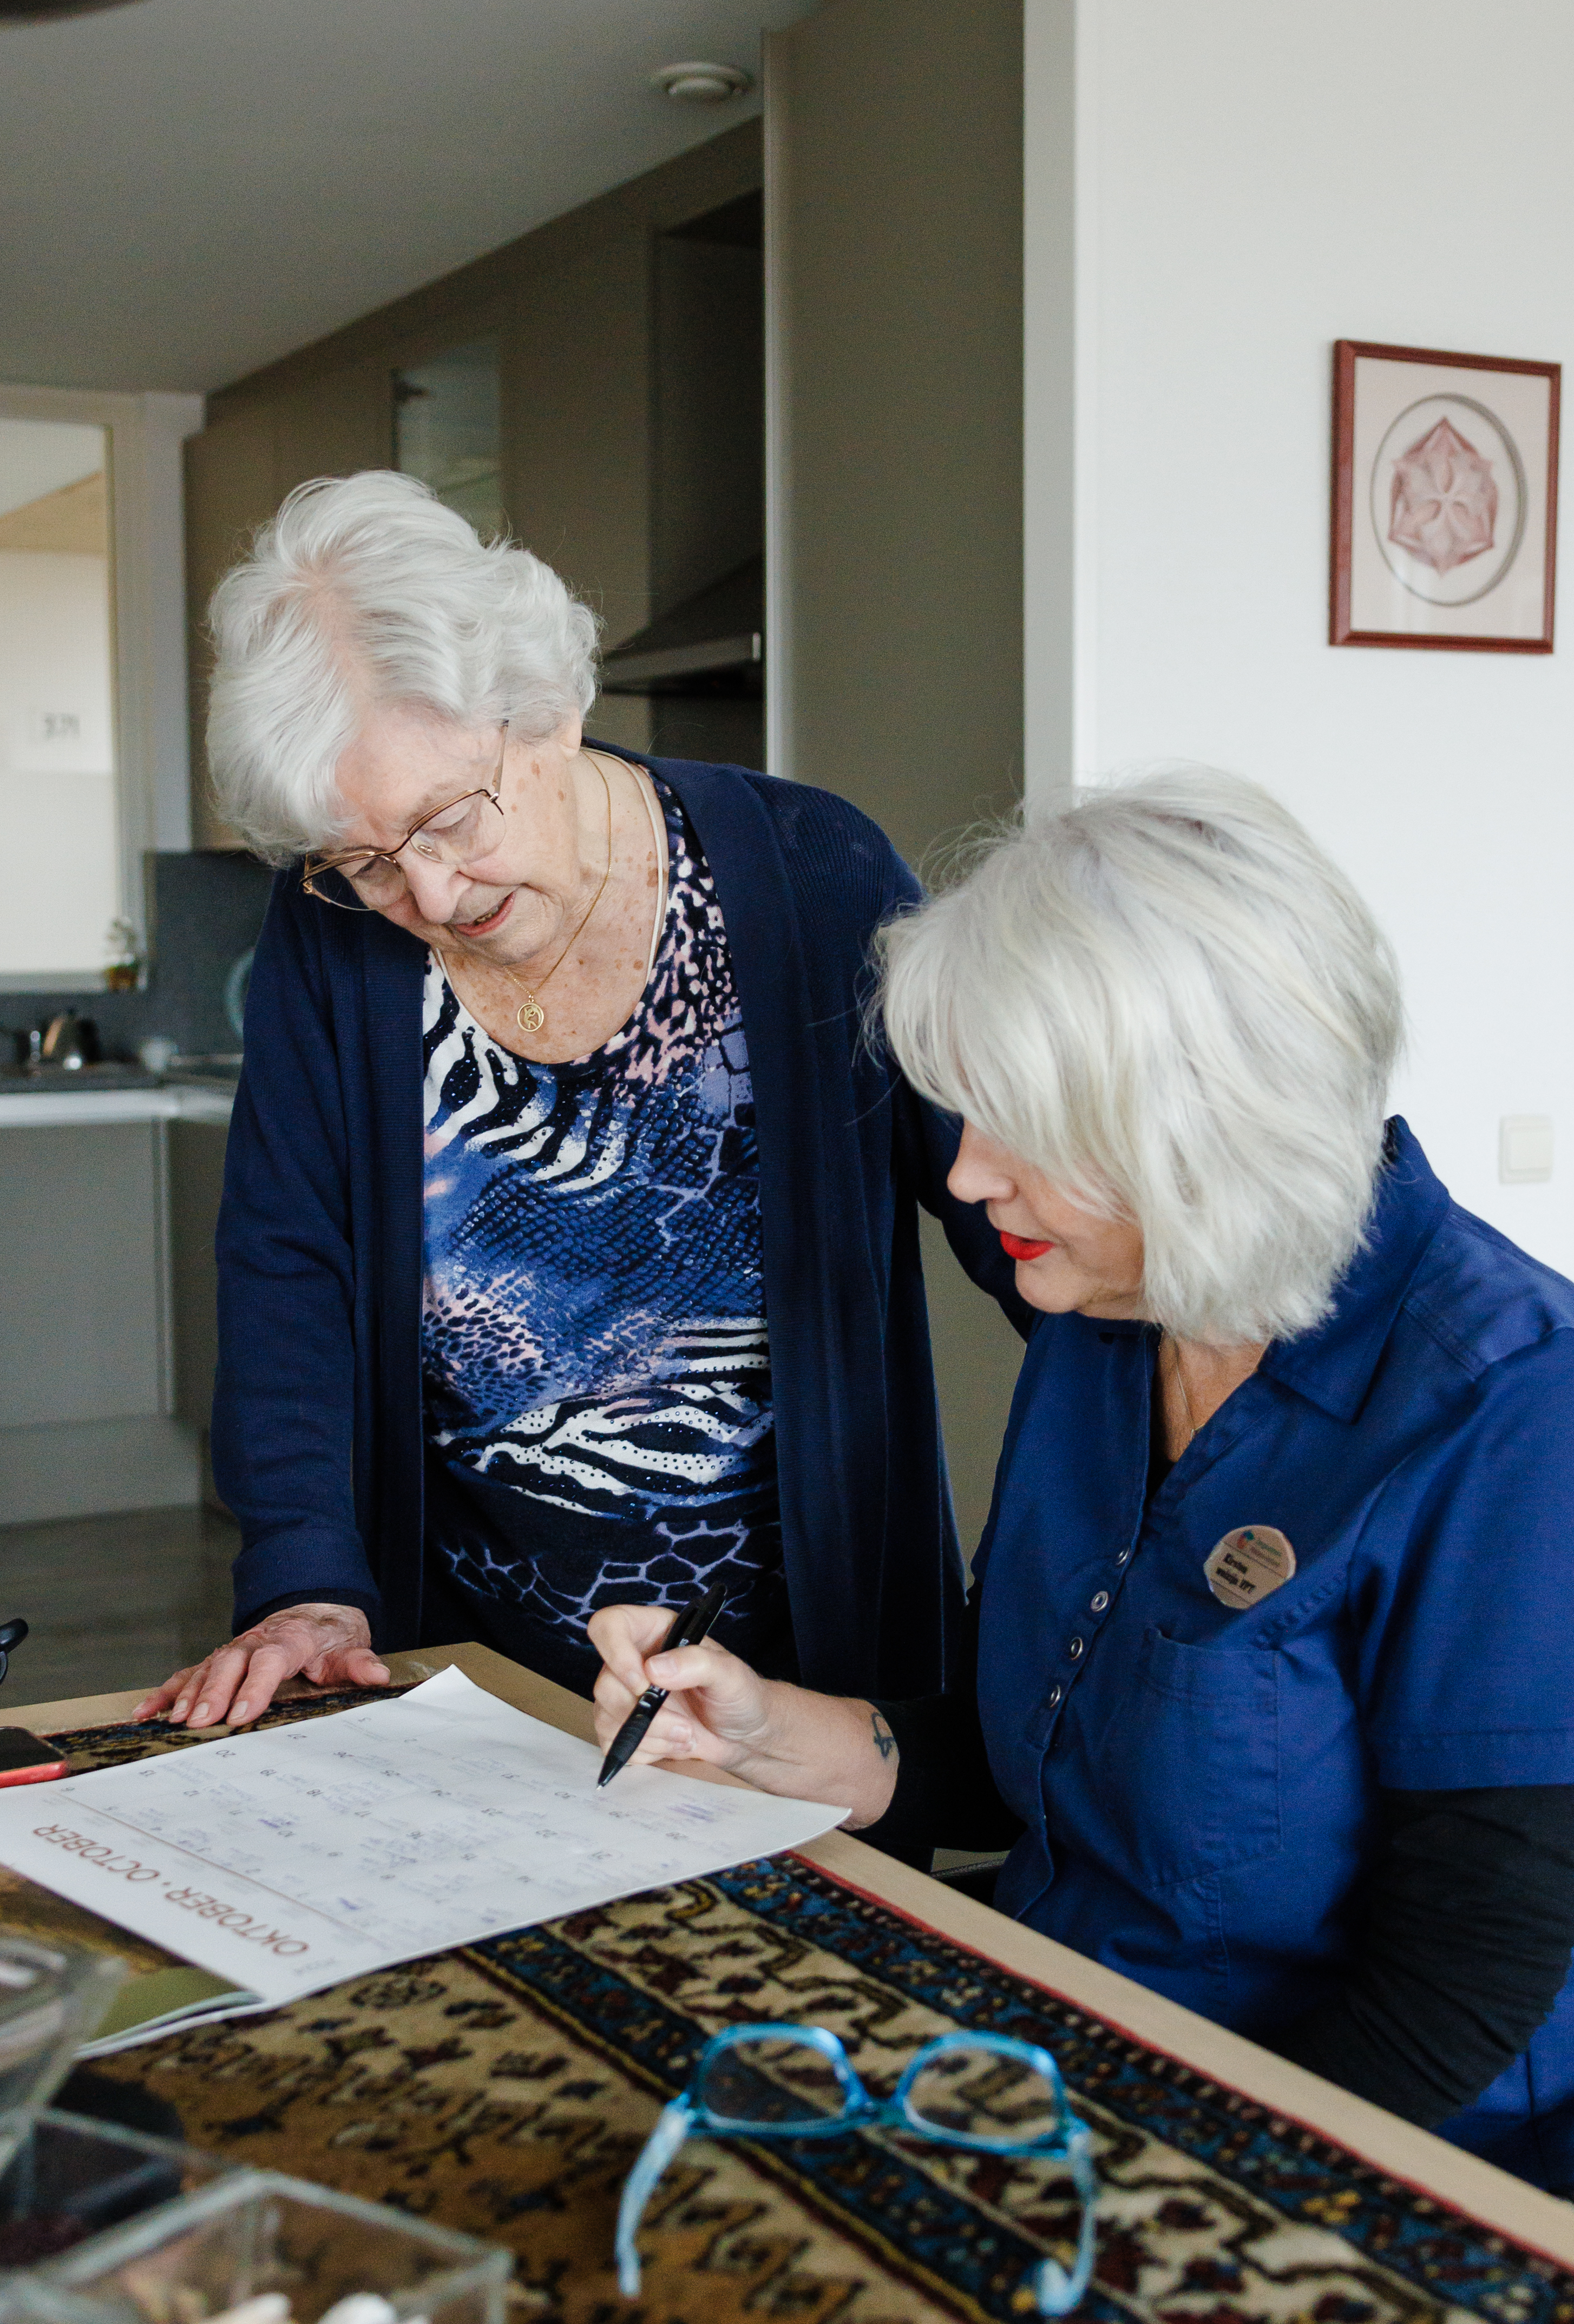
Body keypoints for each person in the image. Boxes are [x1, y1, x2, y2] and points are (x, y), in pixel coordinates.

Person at [589, 768, 1574, 2190]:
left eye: (1018, 1126)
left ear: (1205, 1118)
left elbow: (1466, 1987)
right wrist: (749, 1729)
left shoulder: (1513, 1406)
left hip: (1356, 2162)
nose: (970, 1179)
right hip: (1065, 2052)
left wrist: (1149, 2189)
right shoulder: (1108, 1318)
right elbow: (1028, 1759)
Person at [136, 472, 1022, 1734]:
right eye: (365, 865)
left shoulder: (816, 875)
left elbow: (1020, 1205)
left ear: (548, 713)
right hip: (458, 1673)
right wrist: (309, 1580)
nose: (430, 898)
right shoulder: (329, 943)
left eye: (448, 821)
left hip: (803, 1674)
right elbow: (290, 1263)